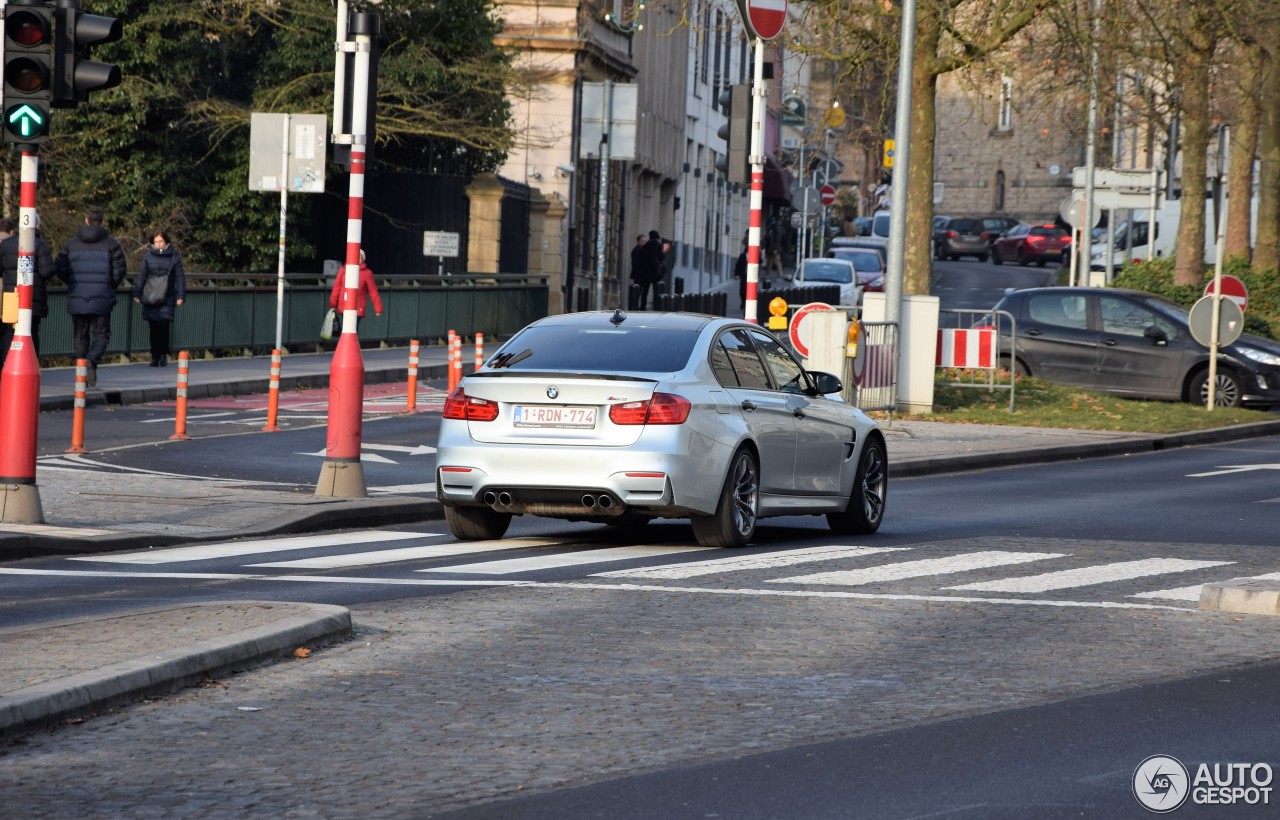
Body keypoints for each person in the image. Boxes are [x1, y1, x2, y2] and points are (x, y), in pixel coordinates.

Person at [56, 206, 127, 387]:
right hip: (102, 296)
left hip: (78, 294)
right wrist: (109, 285)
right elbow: (120, 269)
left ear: (86, 220)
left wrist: (72, 281)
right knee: (101, 334)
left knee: (80, 335)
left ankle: (81, 371)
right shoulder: (111, 244)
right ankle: (92, 361)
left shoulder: (71, 244)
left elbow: (60, 267)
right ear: (102, 222)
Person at [0, 214, 56, 375]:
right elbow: (47, 271)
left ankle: (6, 368)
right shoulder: (39, 245)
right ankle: (30, 369)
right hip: (33, 299)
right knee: (31, 335)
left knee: (9, 335)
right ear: (37, 226)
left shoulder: (6, 245)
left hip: (11, 297)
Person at [131, 231, 186, 367]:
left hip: (167, 296)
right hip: (151, 295)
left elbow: (180, 277)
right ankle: (154, 355)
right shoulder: (148, 257)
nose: (158, 244)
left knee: (164, 325)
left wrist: (180, 295)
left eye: (160, 241)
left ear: (166, 242)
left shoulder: (174, 257)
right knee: (153, 326)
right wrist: (137, 293)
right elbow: (142, 275)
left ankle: (162, 354)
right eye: (156, 242)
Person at [328, 249, 383, 331]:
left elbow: (373, 291)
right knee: (346, 329)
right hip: (344, 305)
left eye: (359, 257)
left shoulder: (367, 273)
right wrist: (333, 304)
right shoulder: (343, 269)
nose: (357, 259)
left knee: (352, 329)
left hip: (358, 307)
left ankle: (351, 343)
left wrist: (378, 308)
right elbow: (337, 287)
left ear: (362, 259)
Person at [629, 234, 648, 309]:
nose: (644, 243)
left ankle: (642, 306)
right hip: (639, 275)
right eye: (643, 241)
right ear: (639, 241)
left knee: (644, 292)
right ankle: (635, 306)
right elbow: (636, 263)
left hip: (644, 275)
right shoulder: (636, 250)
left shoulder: (644, 250)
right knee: (637, 292)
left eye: (645, 241)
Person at [734, 233, 748, 309]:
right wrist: (736, 274)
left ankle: (746, 302)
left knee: (749, 289)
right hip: (743, 274)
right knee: (742, 289)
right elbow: (738, 265)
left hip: (751, 274)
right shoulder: (742, 256)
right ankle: (743, 302)